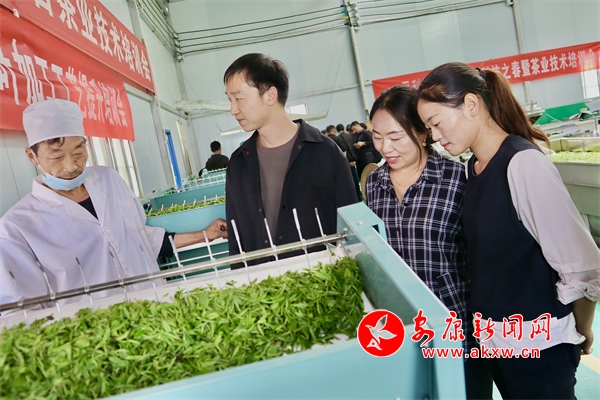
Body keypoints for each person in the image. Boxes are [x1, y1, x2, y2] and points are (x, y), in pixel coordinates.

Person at [417, 62, 600, 399]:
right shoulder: (473, 169)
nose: (435, 137)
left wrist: (583, 327)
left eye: (437, 123)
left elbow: (582, 264)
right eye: (428, 128)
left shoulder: (523, 164)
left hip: (539, 347)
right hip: (498, 342)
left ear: (471, 104)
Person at [0, 99, 227, 313]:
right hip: (96, 331)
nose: (71, 166)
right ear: (32, 156)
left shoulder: (109, 179)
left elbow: (139, 239)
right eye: (56, 158)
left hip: (157, 308)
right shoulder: (16, 228)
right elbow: (20, 311)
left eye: (78, 153)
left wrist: (204, 235)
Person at [365, 86, 476, 394]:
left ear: (423, 133)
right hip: (402, 328)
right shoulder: (374, 183)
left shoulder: (457, 179)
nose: (385, 147)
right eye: (377, 136)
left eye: (396, 137)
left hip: (455, 324)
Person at [223, 53, 357, 267]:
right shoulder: (238, 164)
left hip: (321, 279)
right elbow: (236, 241)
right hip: (262, 283)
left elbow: (351, 229)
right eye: (230, 100)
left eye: (239, 98)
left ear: (270, 95)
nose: (233, 109)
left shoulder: (326, 153)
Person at [337, 123, 362, 201]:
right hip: (354, 161)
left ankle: (354, 198)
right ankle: (359, 195)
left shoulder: (339, 138)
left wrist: (347, 161)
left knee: (350, 181)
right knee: (356, 179)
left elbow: (344, 150)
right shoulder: (350, 136)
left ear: (337, 131)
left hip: (348, 162)